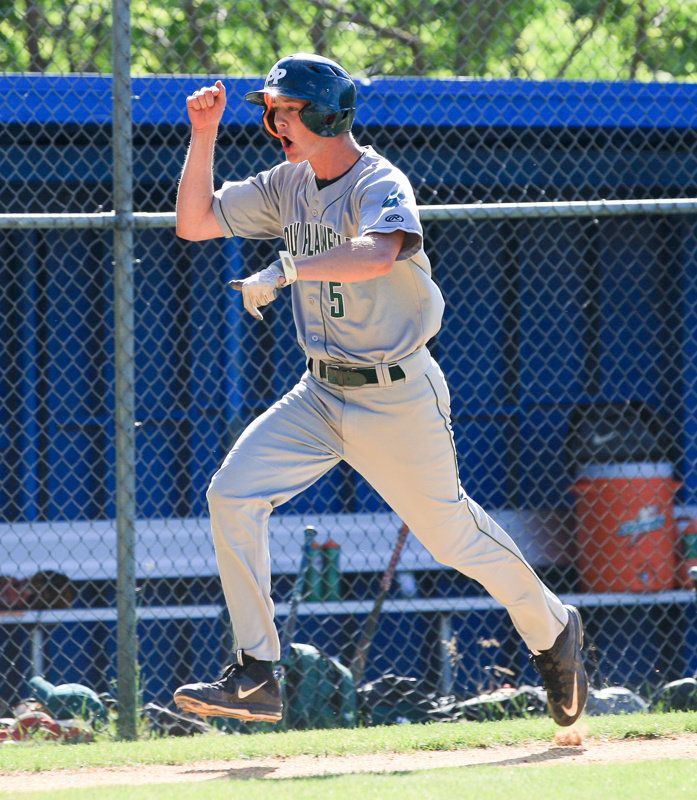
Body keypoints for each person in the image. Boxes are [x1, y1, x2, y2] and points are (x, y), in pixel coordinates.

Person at [173, 53, 589, 727]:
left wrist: (283, 269)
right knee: (232, 494)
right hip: (319, 393)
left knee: (454, 539)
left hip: (395, 395)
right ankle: (257, 672)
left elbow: (376, 252)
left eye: (285, 108)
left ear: (323, 114)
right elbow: (194, 222)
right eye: (272, 109)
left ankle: (553, 630)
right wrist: (203, 134)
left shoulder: (377, 179)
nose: (274, 120)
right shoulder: (287, 182)